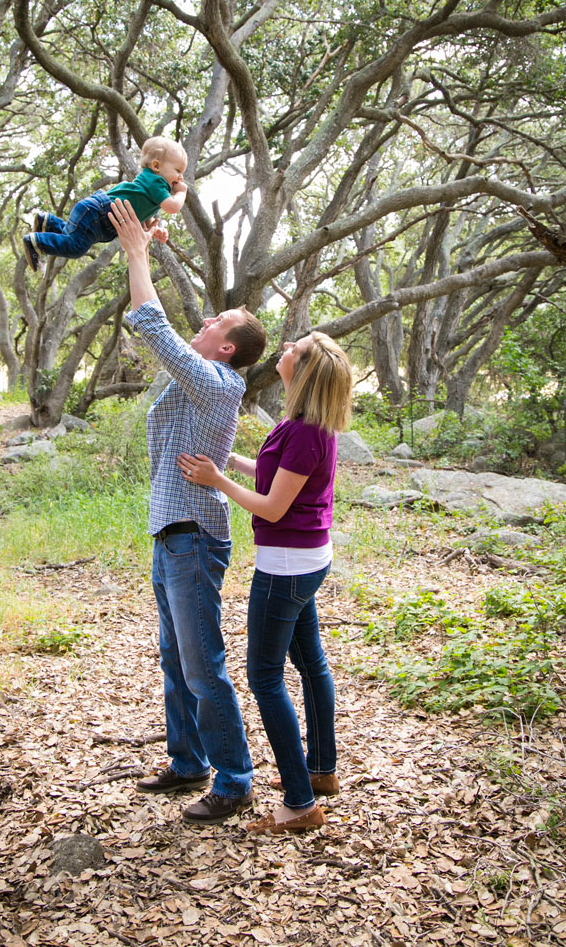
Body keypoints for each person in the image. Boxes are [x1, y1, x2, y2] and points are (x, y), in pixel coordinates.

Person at [107, 196, 267, 824]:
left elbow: (153, 327)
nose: (203, 323)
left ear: (225, 350)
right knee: (177, 657)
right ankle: (188, 761)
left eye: (215, 322)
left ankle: (235, 780)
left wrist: (137, 254)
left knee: (202, 664)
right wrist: (152, 248)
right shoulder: (201, 376)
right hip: (171, 534)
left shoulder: (217, 382)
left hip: (193, 538)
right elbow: (161, 328)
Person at [177, 330, 353, 835]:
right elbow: (283, 482)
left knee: (264, 678)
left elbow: (273, 507)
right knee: (311, 662)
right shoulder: (306, 423)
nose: (285, 349)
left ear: (304, 369)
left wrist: (217, 482)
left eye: (294, 348)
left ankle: (299, 804)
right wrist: (233, 463)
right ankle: (320, 771)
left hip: (286, 566)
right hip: (308, 557)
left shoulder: (303, 430)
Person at [22, 136, 187, 271]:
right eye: (178, 171)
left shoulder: (150, 184)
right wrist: (182, 192)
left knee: (70, 236)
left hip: (95, 211)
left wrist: (154, 229)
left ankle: (47, 222)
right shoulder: (157, 182)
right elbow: (172, 207)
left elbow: (140, 216)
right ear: (157, 166)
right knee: (75, 247)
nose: (181, 177)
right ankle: (36, 242)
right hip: (99, 215)